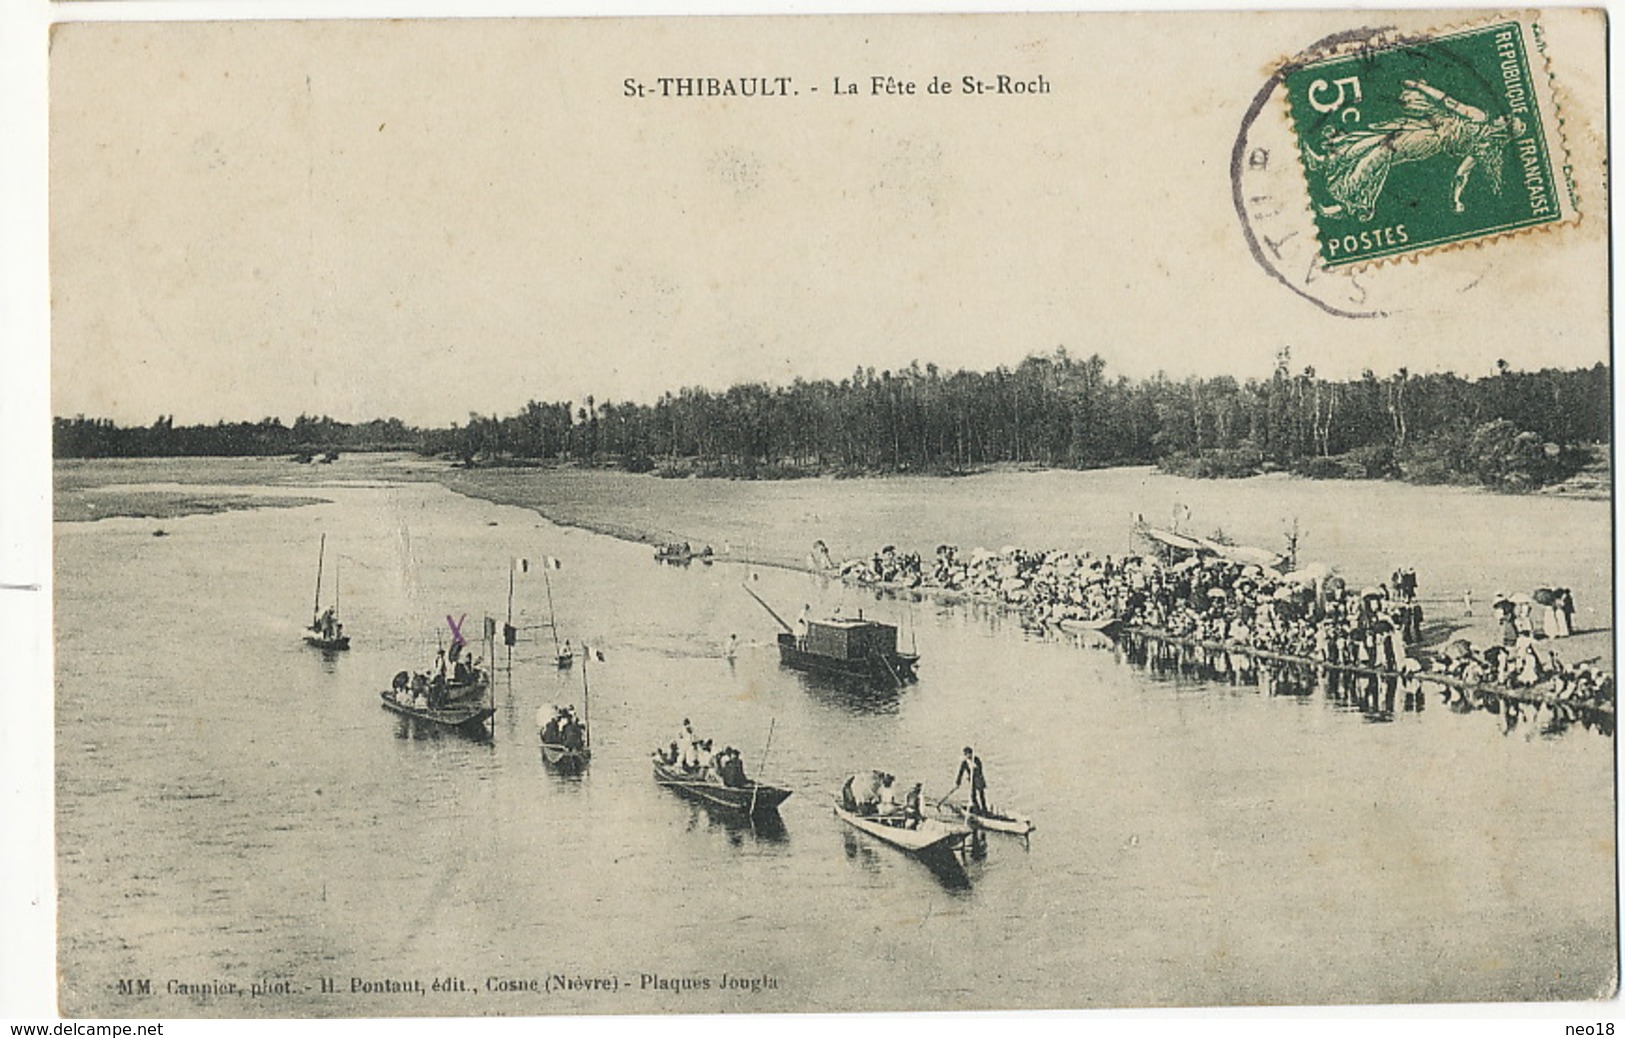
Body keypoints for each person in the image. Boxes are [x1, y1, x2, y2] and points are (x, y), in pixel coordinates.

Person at [954, 747, 988, 814]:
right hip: (972, 781)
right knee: (973, 795)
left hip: (979, 780)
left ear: (970, 753)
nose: (966, 756)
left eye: (967, 754)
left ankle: (984, 810)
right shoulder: (964, 762)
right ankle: (977, 809)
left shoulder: (976, 760)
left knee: (981, 795)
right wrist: (958, 782)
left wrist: (974, 770)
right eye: (965, 754)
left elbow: (980, 770)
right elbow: (960, 772)